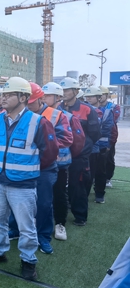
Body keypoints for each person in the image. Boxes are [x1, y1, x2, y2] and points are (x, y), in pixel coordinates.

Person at [0, 77, 58, 281]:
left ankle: (28, 260)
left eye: (8, 94)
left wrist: (27, 170)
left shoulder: (38, 122)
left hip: (22, 184)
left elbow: (49, 153)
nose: (3, 98)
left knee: (26, 226)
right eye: (2, 94)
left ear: (23, 97)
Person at [8, 82, 73, 255]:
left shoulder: (56, 115)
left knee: (44, 202)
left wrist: (43, 144)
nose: (27, 106)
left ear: (40, 99)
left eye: (30, 103)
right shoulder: (18, 114)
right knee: (17, 200)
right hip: (22, 165)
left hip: (45, 167)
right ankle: (15, 228)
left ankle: (43, 236)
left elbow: (67, 138)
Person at [41, 82, 85, 242]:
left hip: (60, 165)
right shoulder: (36, 114)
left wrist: (69, 157)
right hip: (41, 164)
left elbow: (78, 141)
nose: (44, 98)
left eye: (47, 95)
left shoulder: (67, 117)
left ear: (57, 98)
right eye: (43, 95)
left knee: (59, 194)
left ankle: (60, 223)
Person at [59, 77, 100, 226]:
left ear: (76, 91)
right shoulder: (57, 109)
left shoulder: (87, 109)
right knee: (59, 184)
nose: (64, 93)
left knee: (78, 184)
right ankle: (61, 210)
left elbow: (95, 133)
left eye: (67, 90)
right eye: (62, 90)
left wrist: (83, 148)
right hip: (61, 154)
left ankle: (80, 216)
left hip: (79, 155)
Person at [84, 86, 114, 204]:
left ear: (99, 97)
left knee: (100, 171)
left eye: (91, 96)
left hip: (100, 147)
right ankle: (84, 196)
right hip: (88, 147)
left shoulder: (106, 112)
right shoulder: (85, 110)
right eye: (87, 96)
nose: (88, 99)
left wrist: (106, 146)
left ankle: (99, 194)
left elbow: (107, 129)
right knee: (87, 173)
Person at [99, 86, 120, 188]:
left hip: (110, 136)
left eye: (102, 95)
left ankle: (108, 179)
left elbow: (113, 120)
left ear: (107, 95)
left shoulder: (113, 107)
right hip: (96, 137)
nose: (99, 97)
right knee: (97, 159)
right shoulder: (93, 106)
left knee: (109, 159)